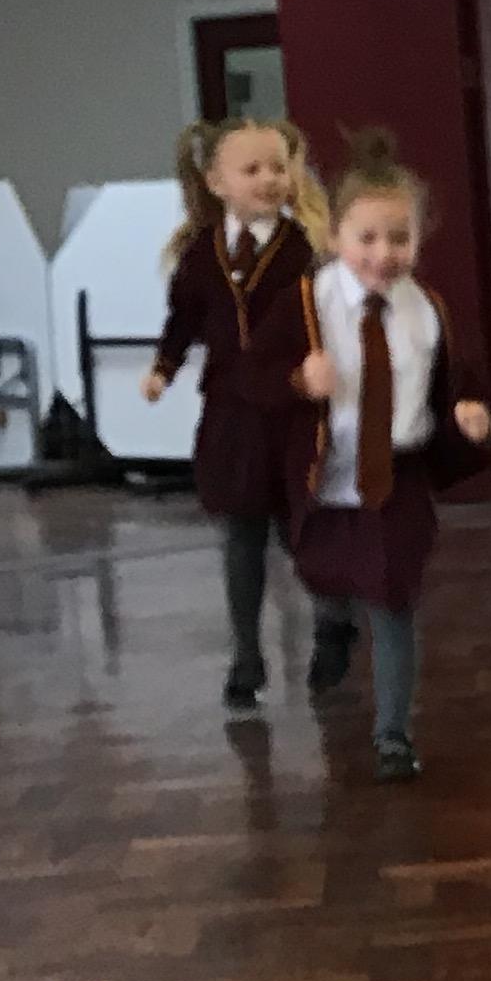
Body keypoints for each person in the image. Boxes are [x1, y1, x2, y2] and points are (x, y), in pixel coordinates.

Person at [283, 134, 491, 782]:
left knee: (394, 596)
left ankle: (393, 734)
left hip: (396, 475)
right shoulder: (308, 301)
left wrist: (469, 418)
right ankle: (333, 622)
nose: (383, 254)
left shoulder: (424, 312)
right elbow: (259, 376)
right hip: (325, 472)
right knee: (324, 571)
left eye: (399, 238)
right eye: (367, 238)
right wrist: (299, 380)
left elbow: (451, 385)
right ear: (336, 236)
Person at [142, 116, 330, 710]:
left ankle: (334, 624)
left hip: (292, 409)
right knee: (240, 532)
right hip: (231, 413)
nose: (270, 179)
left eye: (279, 168)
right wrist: (164, 368)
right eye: (252, 170)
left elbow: (325, 319)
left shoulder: (302, 250)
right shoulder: (202, 255)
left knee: (303, 530)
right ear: (217, 182)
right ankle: (246, 654)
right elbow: (184, 318)